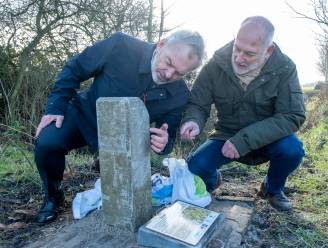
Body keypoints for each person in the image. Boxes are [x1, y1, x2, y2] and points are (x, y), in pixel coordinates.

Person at [34, 30, 205, 224]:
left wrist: (163, 143)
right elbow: (75, 68)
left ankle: (103, 164)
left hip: (122, 141)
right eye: (168, 62)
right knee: (47, 143)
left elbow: (168, 136)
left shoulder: (180, 95)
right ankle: (52, 196)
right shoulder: (120, 46)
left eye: (179, 74)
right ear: (161, 44)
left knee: (126, 193)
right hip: (85, 114)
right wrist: (56, 106)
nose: (168, 74)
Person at [180, 16, 305, 211]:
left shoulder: (285, 68)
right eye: (237, 48)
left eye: (249, 53)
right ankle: (213, 181)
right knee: (196, 166)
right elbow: (198, 102)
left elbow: (292, 115)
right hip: (226, 135)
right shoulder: (216, 64)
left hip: (269, 138)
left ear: (268, 50)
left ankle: (272, 188)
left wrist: (244, 140)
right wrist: (193, 121)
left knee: (292, 150)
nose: (239, 58)